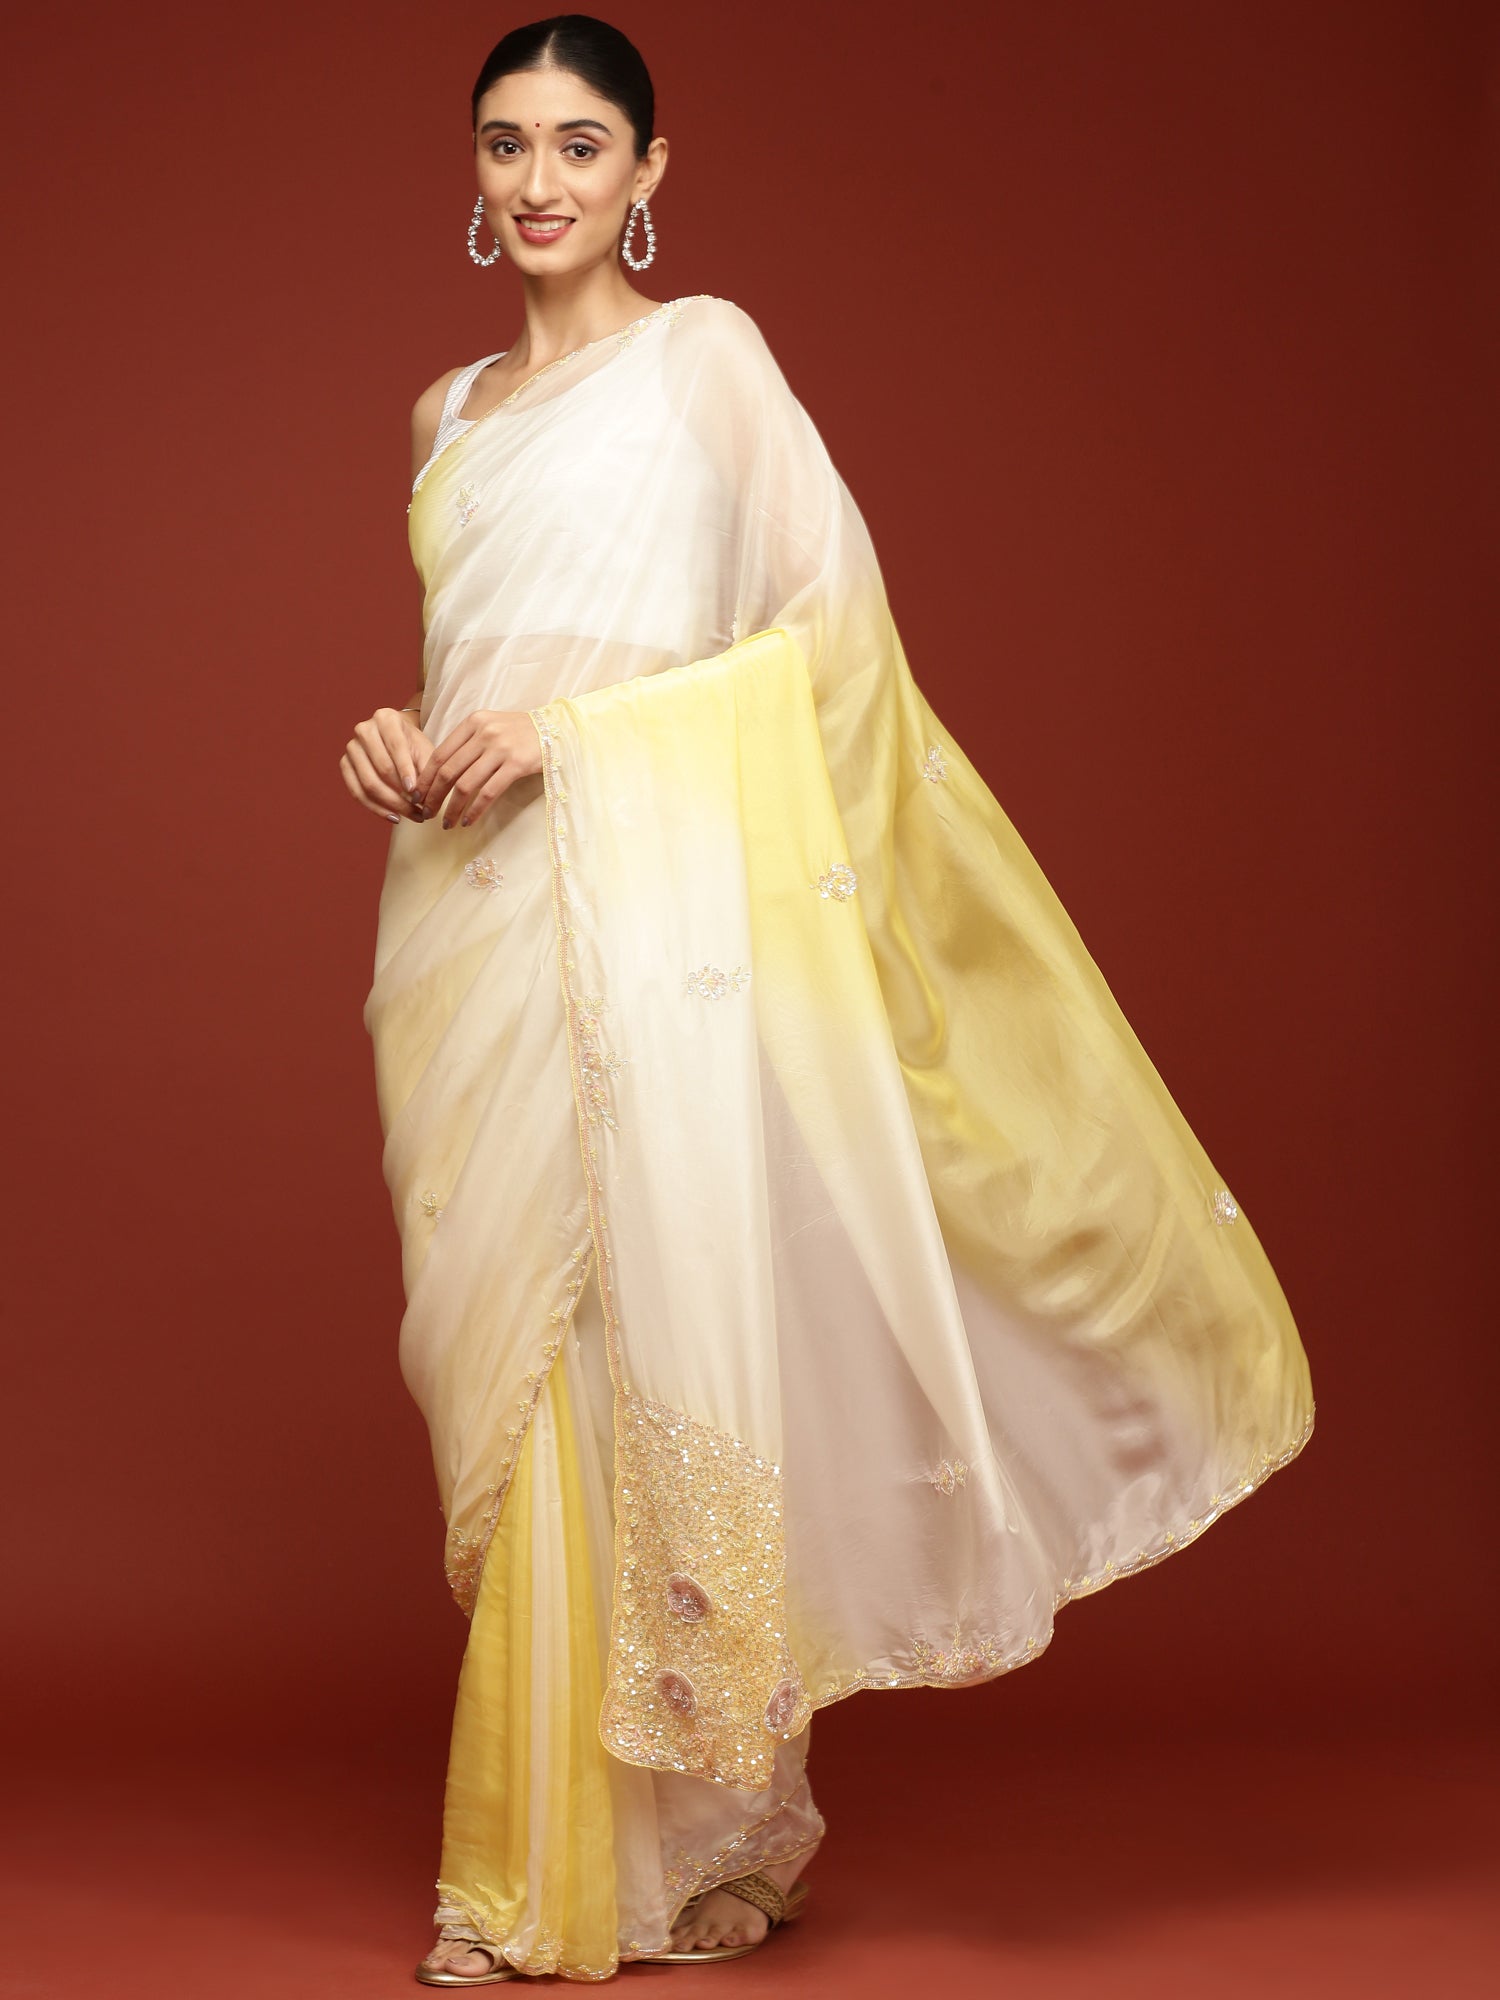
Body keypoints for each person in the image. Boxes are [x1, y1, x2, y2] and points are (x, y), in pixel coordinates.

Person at [342, 13, 1316, 1987]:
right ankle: (596, 1841)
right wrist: (399, 735)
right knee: (519, 1375)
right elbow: (469, 673)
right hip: (469, 930)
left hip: (664, 925)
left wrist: (578, 737)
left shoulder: (709, 362)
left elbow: (826, 648)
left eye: (582, 145)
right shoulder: (445, 416)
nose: (540, 180)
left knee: (658, 1348)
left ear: (650, 173)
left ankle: (600, 1864)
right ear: (474, 171)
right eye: (509, 143)